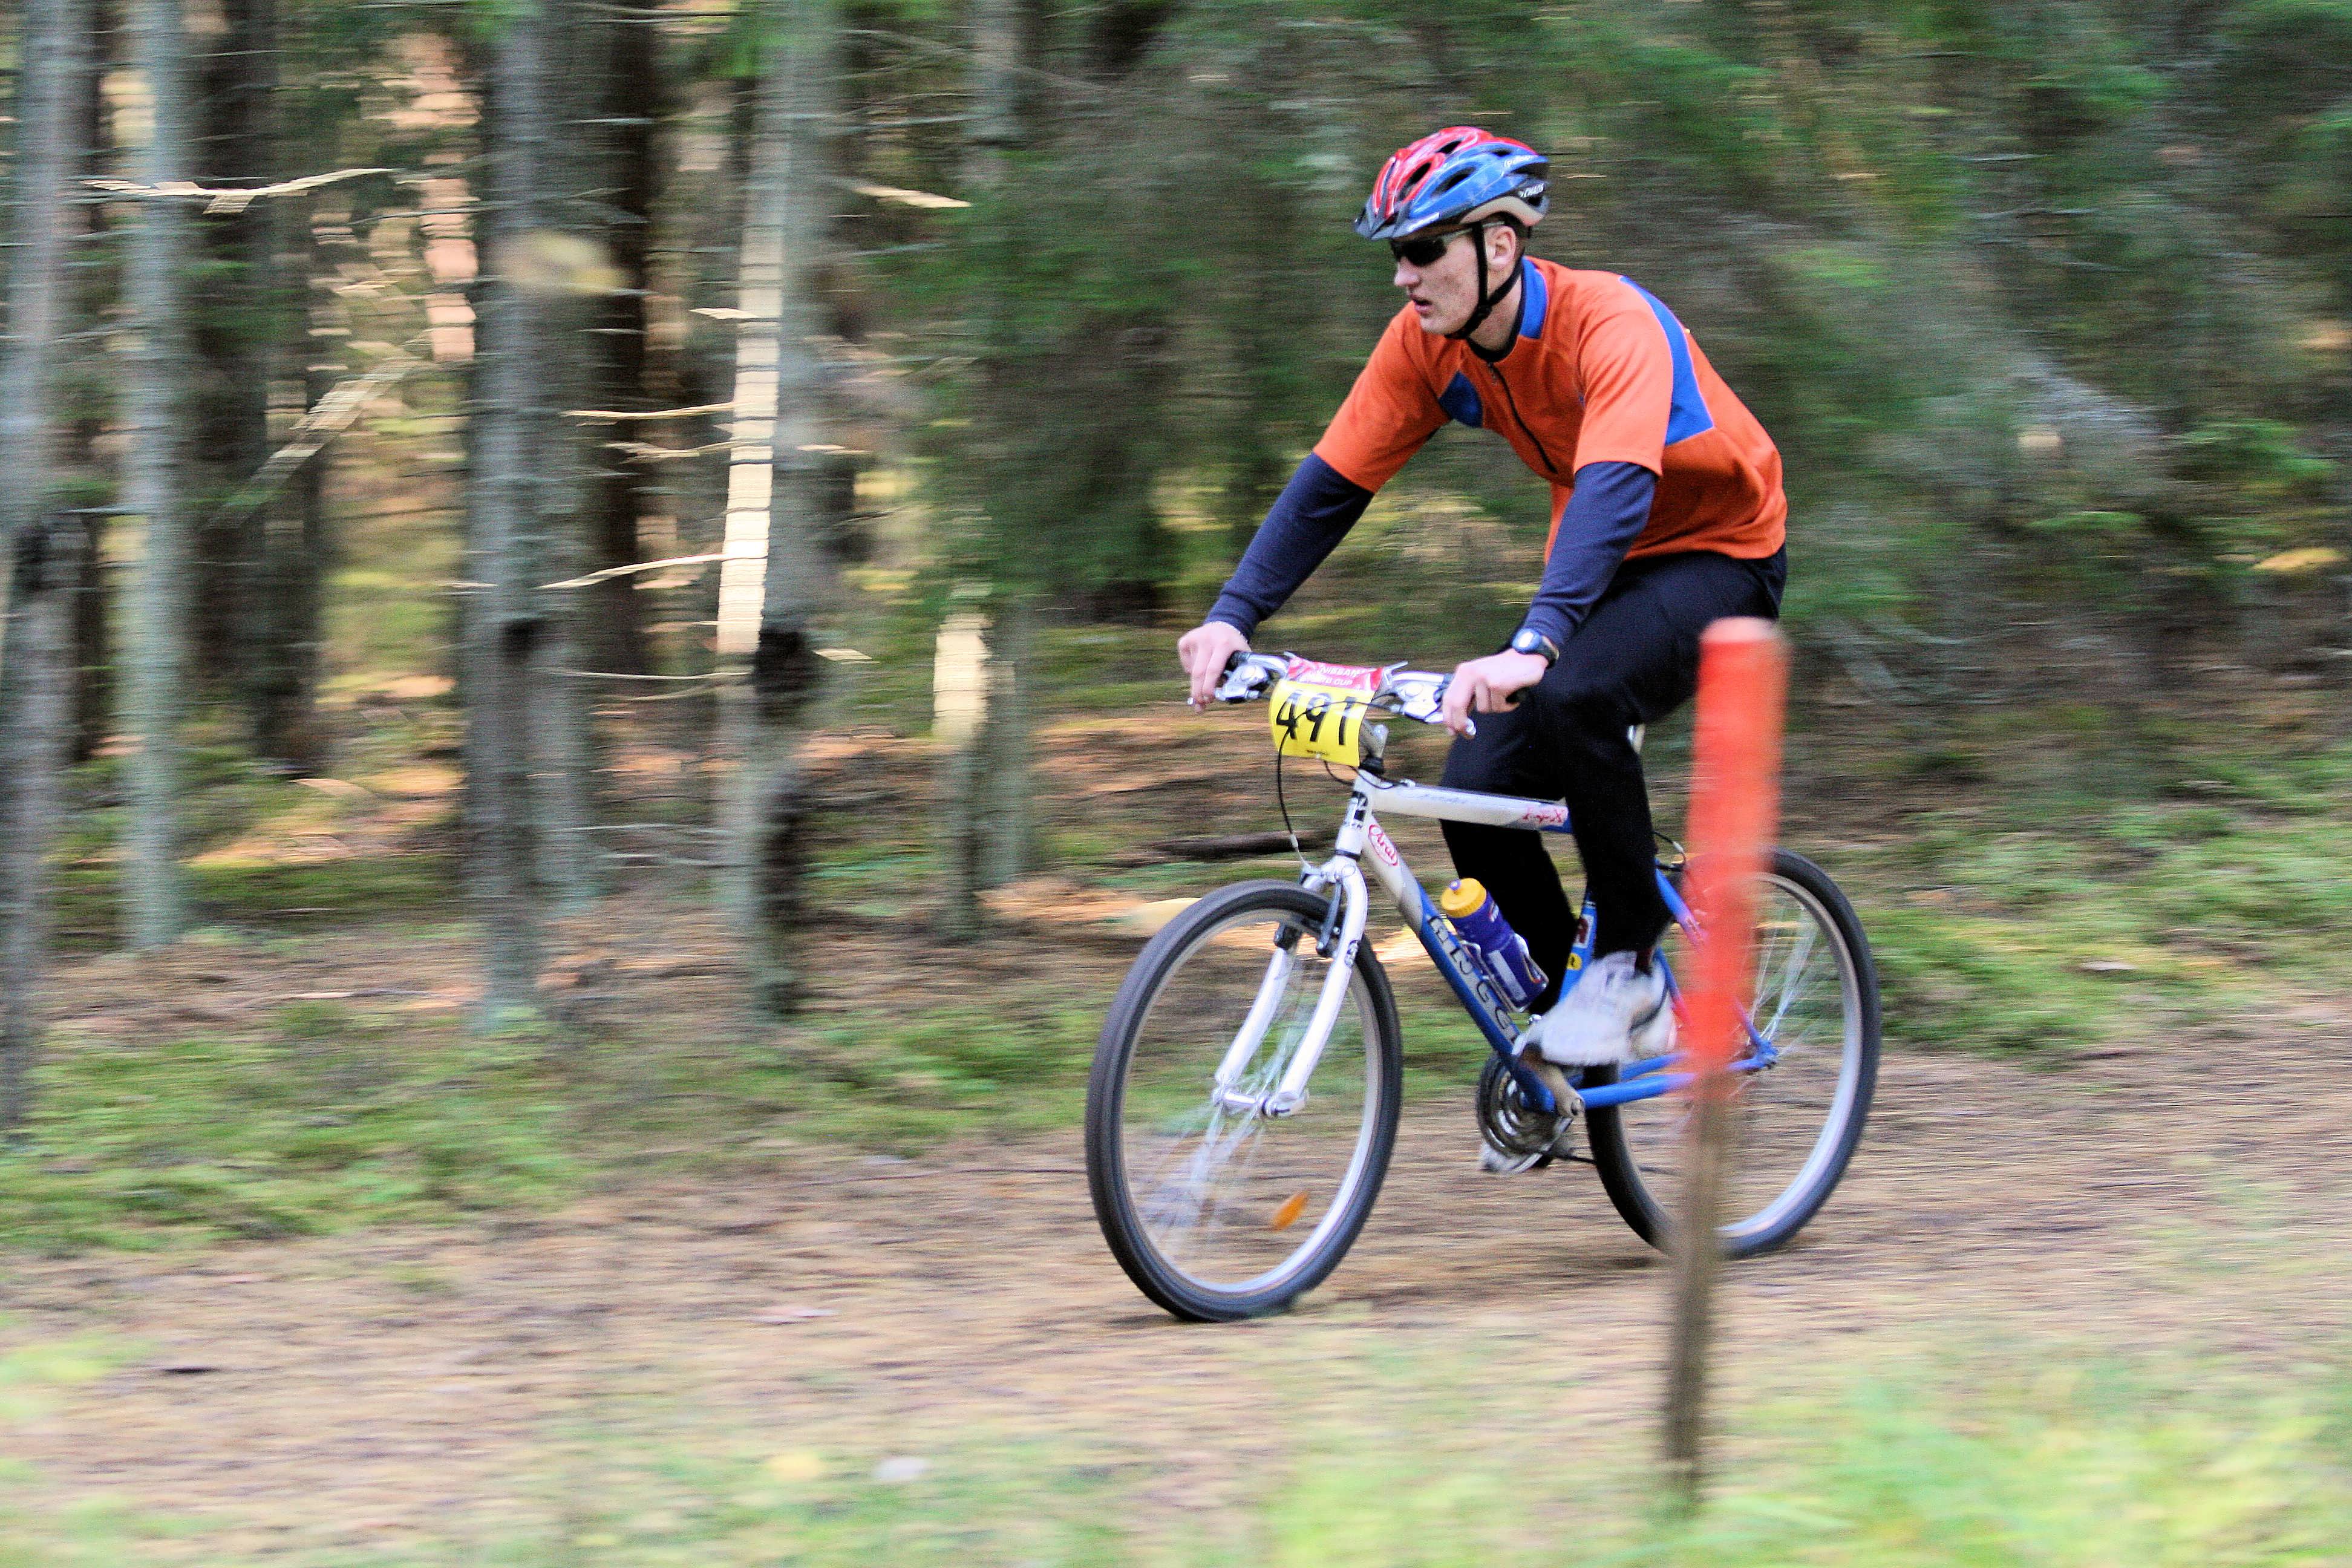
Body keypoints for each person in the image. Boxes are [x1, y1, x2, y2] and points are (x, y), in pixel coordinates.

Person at [1177, 125, 1788, 1088]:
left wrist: (1537, 641)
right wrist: (1232, 614)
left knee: (1578, 694)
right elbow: (1333, 484)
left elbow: (1618, 484)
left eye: (1424, 249)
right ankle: (1563, 1054)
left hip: (1722, 553)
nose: (1404, 276)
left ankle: (1630, 970)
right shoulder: (1430, 348)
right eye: (1397, 253)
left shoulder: (1609, 321)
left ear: (1499, 246)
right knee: (1478, 786)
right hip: (1603, 566)